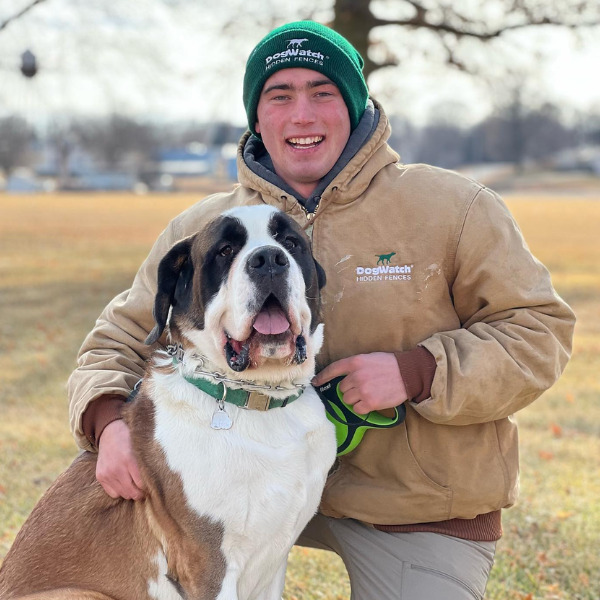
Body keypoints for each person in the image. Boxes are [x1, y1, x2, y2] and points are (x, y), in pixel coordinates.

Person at [68, 21, 575, 599]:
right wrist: (107, 419)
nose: (301, 115)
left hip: (411, 501)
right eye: (279, 96)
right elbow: (116, 339)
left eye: (322, 93)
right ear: (258, 119)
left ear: (356, 108)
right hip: (239, 481)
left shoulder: (454, 208)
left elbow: (540, 331)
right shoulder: (204, 231)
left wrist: (419, 372)